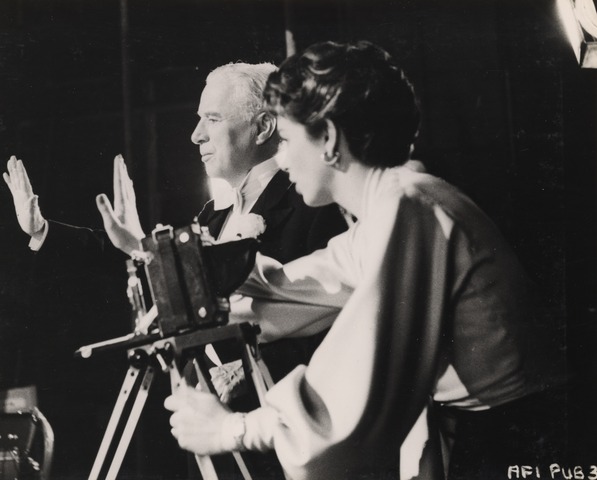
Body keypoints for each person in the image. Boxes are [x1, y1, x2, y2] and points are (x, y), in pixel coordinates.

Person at [164, 41, 564, 480]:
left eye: (289, 138)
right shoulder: (396, 203)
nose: (282, 156)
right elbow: (302, 286)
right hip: (491, 432)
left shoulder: (409, 207)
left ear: (329, 139)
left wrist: (231, 428)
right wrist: (196, 269)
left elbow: (355, 375)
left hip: (518, 442)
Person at [4, 62, 347, 477]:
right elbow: (168, 271)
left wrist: (245, 367)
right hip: (213, 445)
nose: (196, 135)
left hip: (286, 447)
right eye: (198, 119)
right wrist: (45, 232)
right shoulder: (214, 216)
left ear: (262, 127)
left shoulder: (312, 206)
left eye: (212, 119)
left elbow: (341, 323)